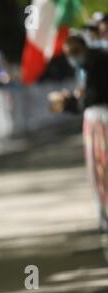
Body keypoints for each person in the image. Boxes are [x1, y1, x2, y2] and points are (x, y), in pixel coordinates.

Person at [48, 35, 108, 231]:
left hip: (102, 121)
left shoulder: (97, 63)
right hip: (96, 120)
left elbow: (90, 99)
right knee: (97, 171)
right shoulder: (86, 65)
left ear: (83, 48)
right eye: (67, 54)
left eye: (74, 53)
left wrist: (68, 102)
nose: (71, 57)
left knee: (102, 169)